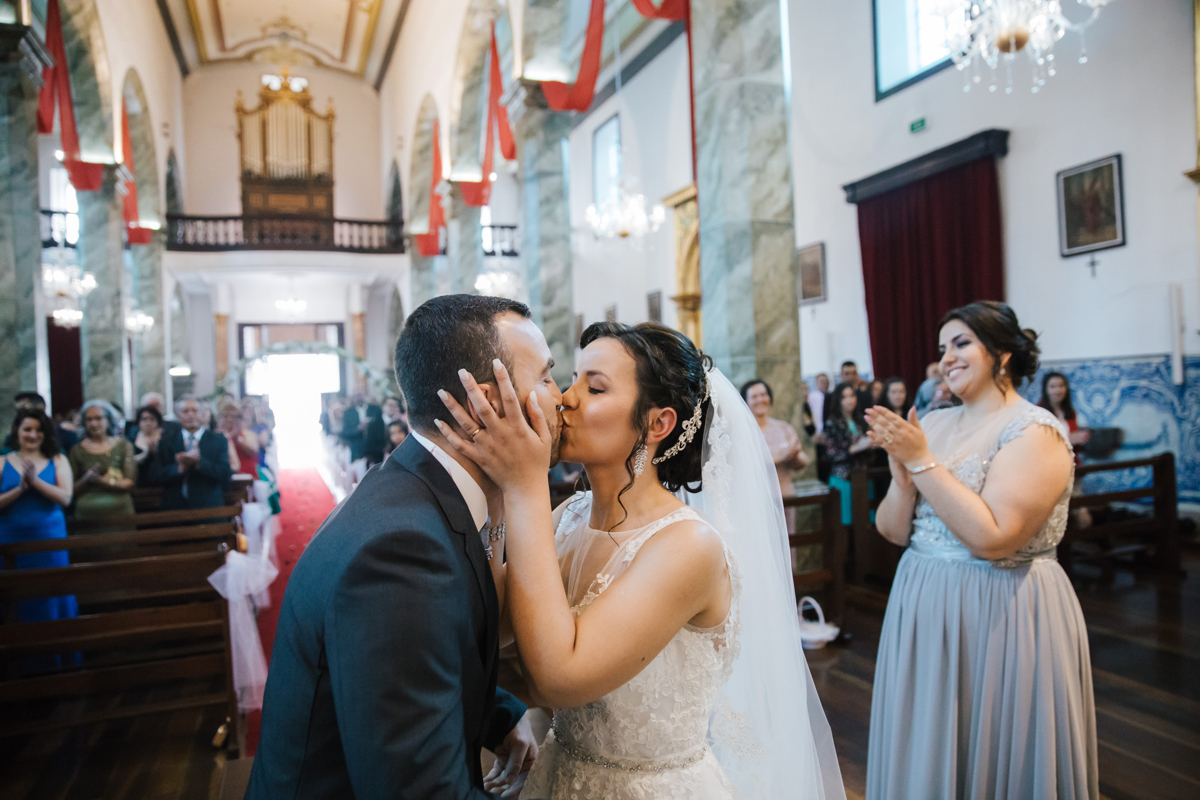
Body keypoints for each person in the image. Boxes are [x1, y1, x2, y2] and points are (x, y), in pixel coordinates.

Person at [437, 320, 845, 799]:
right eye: (570, 379)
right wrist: (500, 491)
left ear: (657, 424)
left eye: (594, 387)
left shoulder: (689, 546)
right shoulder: (570, 515)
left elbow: (557, 679)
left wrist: (523, 484)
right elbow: (499, 627)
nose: (565, 399)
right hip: (560, 776)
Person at [247, 295, 542, 800]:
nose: (563, 398)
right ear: (490, 404)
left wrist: (499, 716)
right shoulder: (402, 552)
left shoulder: (412, 489)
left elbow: (409, 663)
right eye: (549, 379)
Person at [863, 301, 1096, 799]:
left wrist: (921, 460)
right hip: (923, 601)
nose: (947, 357)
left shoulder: (1034, 431)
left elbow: (995, 539)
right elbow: (891, 531)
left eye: (961, 343)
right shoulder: (936, 423)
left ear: (1002, 353)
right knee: (927, 738)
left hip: (1001, 606)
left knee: (992, 745)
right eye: (943, 347)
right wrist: (903, 482)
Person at [0, 409, 79, 668]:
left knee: (50, 594)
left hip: (49, 538)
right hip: (11, 539)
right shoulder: (2, 461)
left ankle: (58, 660)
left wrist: (35, 482)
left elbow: (65, 498)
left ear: (45, 434)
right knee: (16, 598)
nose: (32, 435)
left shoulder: (57, 459)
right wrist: (19, 489)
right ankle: (19, 664)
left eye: (38, 430)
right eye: (27, 429)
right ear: (17, 432)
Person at [145, 396, 232, 511]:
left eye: (194, 411)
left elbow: (225, 473)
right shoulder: (167, 441)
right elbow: (154, 475)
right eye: (185, 411)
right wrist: (178, 469)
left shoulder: (218, 440)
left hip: (208, 507)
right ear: (178, 416)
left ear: (201, 414)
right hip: (175, 508)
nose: (190, 415)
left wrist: (199, 463)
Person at [741, 379, 809, 526]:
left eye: (763, 394)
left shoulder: (783, 427)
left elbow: (802, 460)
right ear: (745, 402)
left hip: (785, 498)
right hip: (757, 501)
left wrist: (795, 456)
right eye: (754, 396)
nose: (760, 399)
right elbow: (744, 467)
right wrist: (779, 457)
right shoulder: (743, 433)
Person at [69, 400, 136, 522]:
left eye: (98, 418)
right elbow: (71, 490)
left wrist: (100, 480)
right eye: (89, 419)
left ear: (108, 419)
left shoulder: (123, 446)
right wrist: (86, 479)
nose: (94, 423)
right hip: (87, 514)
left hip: (120, 510)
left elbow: (129, 483)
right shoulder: (77, 450)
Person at [826, 381, 874, 525]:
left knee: (866, 521)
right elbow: (832, 453)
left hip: (862, 474)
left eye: (852, 395)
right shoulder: (833, 422)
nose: (850, 400)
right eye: (844, 397)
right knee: (846, 522)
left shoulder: (860, 420)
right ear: (838, 400)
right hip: (843, 476)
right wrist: (854, 449)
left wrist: (871, 443)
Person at [1039, 371, 1090, 450]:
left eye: (1061, 386)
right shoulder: (1038, 412)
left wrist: (1082, 438)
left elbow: (1075, 444)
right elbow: (1039, 443)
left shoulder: (1070, 412)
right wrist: (1068, 440)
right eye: (1053, 387)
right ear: (1046, 390)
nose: (1058, 390)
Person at [341, 391, 386, 466]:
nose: (359, 397)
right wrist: (358, 428)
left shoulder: (375, 409)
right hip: (358, 450)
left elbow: (381, 429)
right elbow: (345, 432)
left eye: (361, 395)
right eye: (357, 395)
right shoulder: (348, 412)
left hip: (375, 449)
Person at [220, 401, 260, 476]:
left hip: (247, 477)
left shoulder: (246, 433)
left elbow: (254, 448)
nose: (229, 419)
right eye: (226, 416)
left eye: (232, 416)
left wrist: (240, 439)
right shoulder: (219, 436)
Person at [132, 404, 164, 484]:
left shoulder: (165, 438)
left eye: (152, 419)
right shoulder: (132, 438)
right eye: (144, 419)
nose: (148, 422)